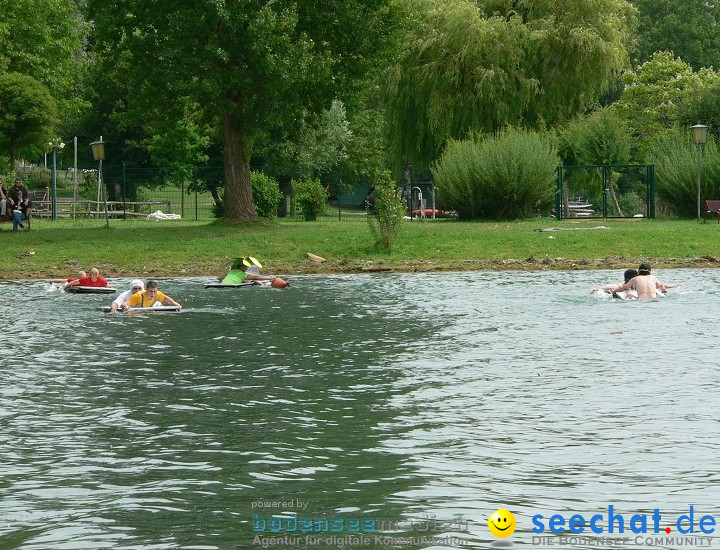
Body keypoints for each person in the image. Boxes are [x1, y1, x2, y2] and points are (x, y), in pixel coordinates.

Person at [219, 256, 286, 285]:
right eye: (246, 267)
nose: (247, 268)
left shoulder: (230, 272)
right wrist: (269, 277)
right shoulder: (242, 274)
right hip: (231, 287)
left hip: (222, 285)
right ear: (242, 267)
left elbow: (220, 278)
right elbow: (256, 277)